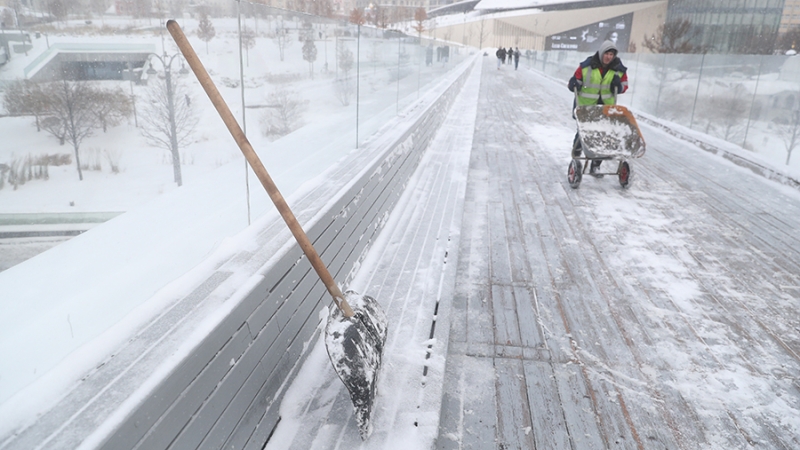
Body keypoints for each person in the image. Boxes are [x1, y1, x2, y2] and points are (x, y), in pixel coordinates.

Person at [567, 40, 628, 177]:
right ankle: (576, 154)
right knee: (583, 132)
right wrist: (573, 84)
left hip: (606, 107)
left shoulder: (618, 68)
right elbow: (575, 81)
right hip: (586, 106)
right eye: (607, 53)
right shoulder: (586, 66)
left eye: (611, 54)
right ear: (601, 53)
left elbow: (624, 86)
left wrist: (619, 86)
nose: (609, 57)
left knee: (603, 135)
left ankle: (596, 166)